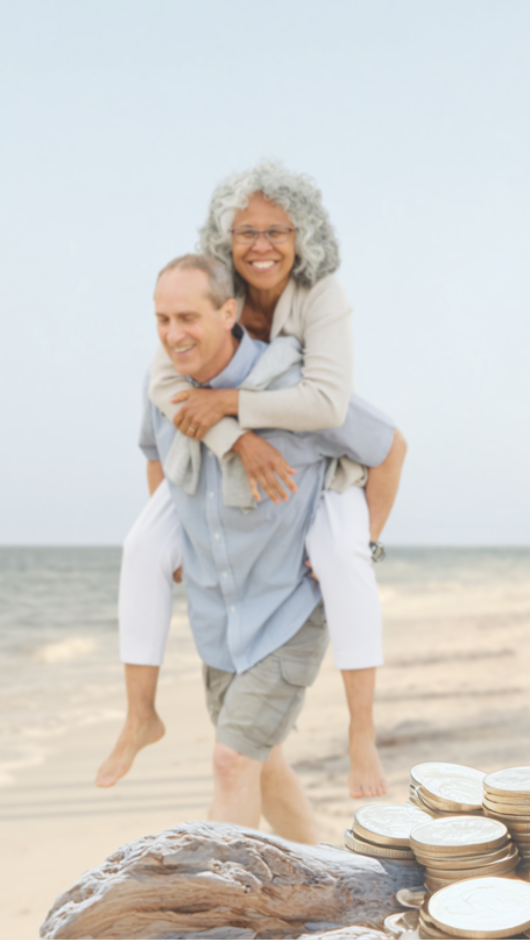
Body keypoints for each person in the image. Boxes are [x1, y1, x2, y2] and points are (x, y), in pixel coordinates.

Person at [98, 161, 407, 800]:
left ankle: (362, 734)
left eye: (276, 230)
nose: (260, 246)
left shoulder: (322, 298)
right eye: (245, 232)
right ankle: (139, 715)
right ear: (225, 239)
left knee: (341, 557)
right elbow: (164, 391)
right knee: (142, 549)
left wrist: (236, 406)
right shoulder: (201, 301)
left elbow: (325, 405)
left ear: (302, 236)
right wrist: (229, 435)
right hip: (216, 463)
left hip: (321, 454)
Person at [139, 254, 395, 838]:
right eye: (161, 319)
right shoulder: (163, 387)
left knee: (231, 762)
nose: (172, 334)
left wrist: (361, 543)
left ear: (228, 312)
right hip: (218, 613)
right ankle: (330, 881)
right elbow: (155, 453)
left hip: (290, 607)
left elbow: (390, 448)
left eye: (186, 317)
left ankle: (218, 909)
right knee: (262, 762)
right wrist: (174, 542)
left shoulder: (291, 386)